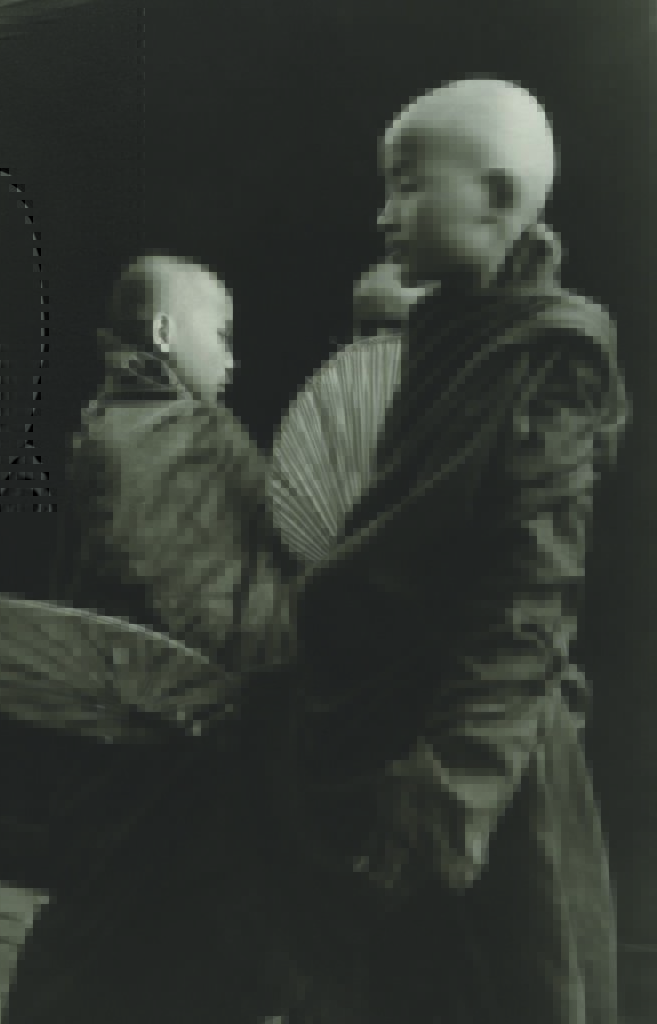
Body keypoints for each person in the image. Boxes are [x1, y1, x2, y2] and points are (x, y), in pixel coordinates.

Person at [244, 78, 629, 1023]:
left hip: (473, 759)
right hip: (382, 727)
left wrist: (455, 788)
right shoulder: (445, 331)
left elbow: (528, 598)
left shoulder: (548, 357)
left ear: (498, 198)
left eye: (409, 184)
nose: (384, 213)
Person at [2, 253, 305, 1024]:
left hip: (141, 727)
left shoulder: (125, 422)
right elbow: (185, 599)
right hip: (166, 730)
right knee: (135, 925)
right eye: (223, 333)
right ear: (165, 333)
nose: (234, 357)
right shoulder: (159, 433)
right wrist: (280, 647)